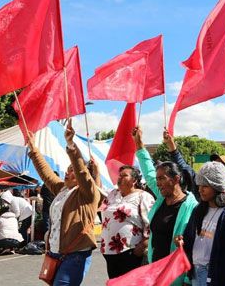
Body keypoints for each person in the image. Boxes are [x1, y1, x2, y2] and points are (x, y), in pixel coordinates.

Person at [27, 119, 100, 286]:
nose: (68, 174)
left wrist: (71, 146)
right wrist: (33, 150)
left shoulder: (88, 193)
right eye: (67, 171)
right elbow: (46, 173)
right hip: (54, 253)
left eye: (72, 171)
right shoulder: (62, 189)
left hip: (75, 255)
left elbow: (82, 171)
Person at [132, 126, 198, 286]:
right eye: (158, 179)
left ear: (176, 179)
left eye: (162, 178)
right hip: (154, 271)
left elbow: (196, 245)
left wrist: (188, 279)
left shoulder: (192, 206)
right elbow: (148, 173)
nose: (158, 183)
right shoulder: (162, 197)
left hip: (177, 277)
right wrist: (139, 146)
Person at [175, 161, 225, 286]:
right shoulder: (198, 210)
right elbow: (190, 241)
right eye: (199, 185)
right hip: (195, 273)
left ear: (218, 187)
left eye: (205, 186)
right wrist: (181, 242)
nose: (200, 189)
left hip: (215, 277)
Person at [163, 129, 225, 224]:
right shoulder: (200, 184)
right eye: (213, 163)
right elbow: (184, 167)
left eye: (219, 166)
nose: (201, 190)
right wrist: (171, 146)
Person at [101, 164, 155, 279]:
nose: (119, 178)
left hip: (130, 252)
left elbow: (151, 224)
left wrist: (142, 246)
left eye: (124, 175)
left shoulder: (143, 196)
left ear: (134, 180)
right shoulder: (113, 194)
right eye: (119, 175)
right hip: (109, 252)